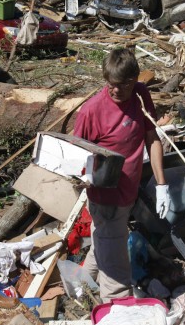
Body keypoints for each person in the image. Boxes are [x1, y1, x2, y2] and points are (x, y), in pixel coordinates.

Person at [74, 47, 172, 302]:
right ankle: (116, 308)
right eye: (111, 84)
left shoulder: (140, 95)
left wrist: (161, 185)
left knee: (105, 241)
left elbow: (152, 137)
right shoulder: (92, 111)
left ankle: (79, 286)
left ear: (134, 80)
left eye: (122, 85)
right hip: (105, 197)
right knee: (116, 267)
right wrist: (84, 175)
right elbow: (74, 154)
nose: (115, 90)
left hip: (128, 191)